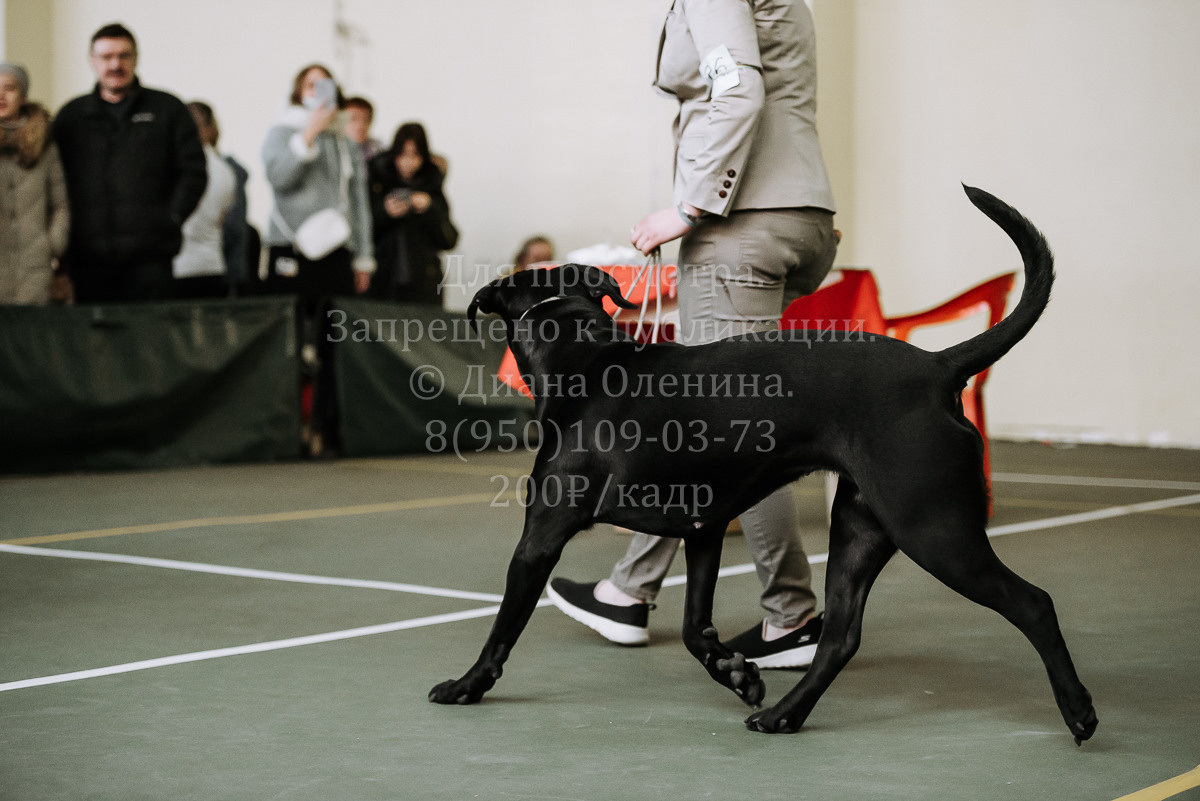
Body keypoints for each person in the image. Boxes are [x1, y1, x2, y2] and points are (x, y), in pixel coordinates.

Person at [548, 0, 840, 669]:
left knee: (739, 428)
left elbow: (737, 88)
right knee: (705, 418)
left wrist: (690, 203)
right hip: (800, 213)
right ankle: (629, 587)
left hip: (741, 224)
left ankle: (791, 616)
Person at [262, 63, 374, 457]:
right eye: (309, 84)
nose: (316, 90)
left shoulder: (345, 142)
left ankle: (327, 430)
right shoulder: (282, 131)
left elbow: (358, 200)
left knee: (334, 343)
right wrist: (307, 133)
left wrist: (364, 257)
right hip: (290, 249)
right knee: (290, 341)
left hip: (335, 252)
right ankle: (285, 430)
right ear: (297, 91)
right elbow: (279, 177)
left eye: (322, 84)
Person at [52, 23, 207, 303]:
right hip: (87, 264)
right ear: (92, 60)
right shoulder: (71, 117)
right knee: (95, 346)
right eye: (106, 56)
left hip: (150, 262)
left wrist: (170, 219)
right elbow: (53, 181)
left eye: (124, 55)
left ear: (136, 58)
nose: (115, 64)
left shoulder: (167, 110)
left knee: (149, 344)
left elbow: (193, 172)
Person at [0, 62, 70, 305]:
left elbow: (61, 203)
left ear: (23, 95)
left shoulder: (44, 146)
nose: (1, 95)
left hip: (35, 267)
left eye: (9, 88)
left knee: (31, 337)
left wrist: (51, 244)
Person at [366, 122, 458, 305]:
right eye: (402, 154)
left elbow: (449, 240)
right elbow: (362, 232)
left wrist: (428, 208)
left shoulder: (432, 187)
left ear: (424, 157)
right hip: (381, 283)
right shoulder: (376, 182)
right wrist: (385, 213)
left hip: (423, 285)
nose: (408, 162)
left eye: (415, 155)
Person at [172, 102, 236, 299]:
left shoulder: (176, 166)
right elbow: (224, 218)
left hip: (178, 267)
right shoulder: (225, 170)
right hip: (212, 265)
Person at [343, 96, 384, 162]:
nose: (361, 125)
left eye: (366, 120)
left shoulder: (378, 150)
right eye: (354, 119)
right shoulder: (330, 149)